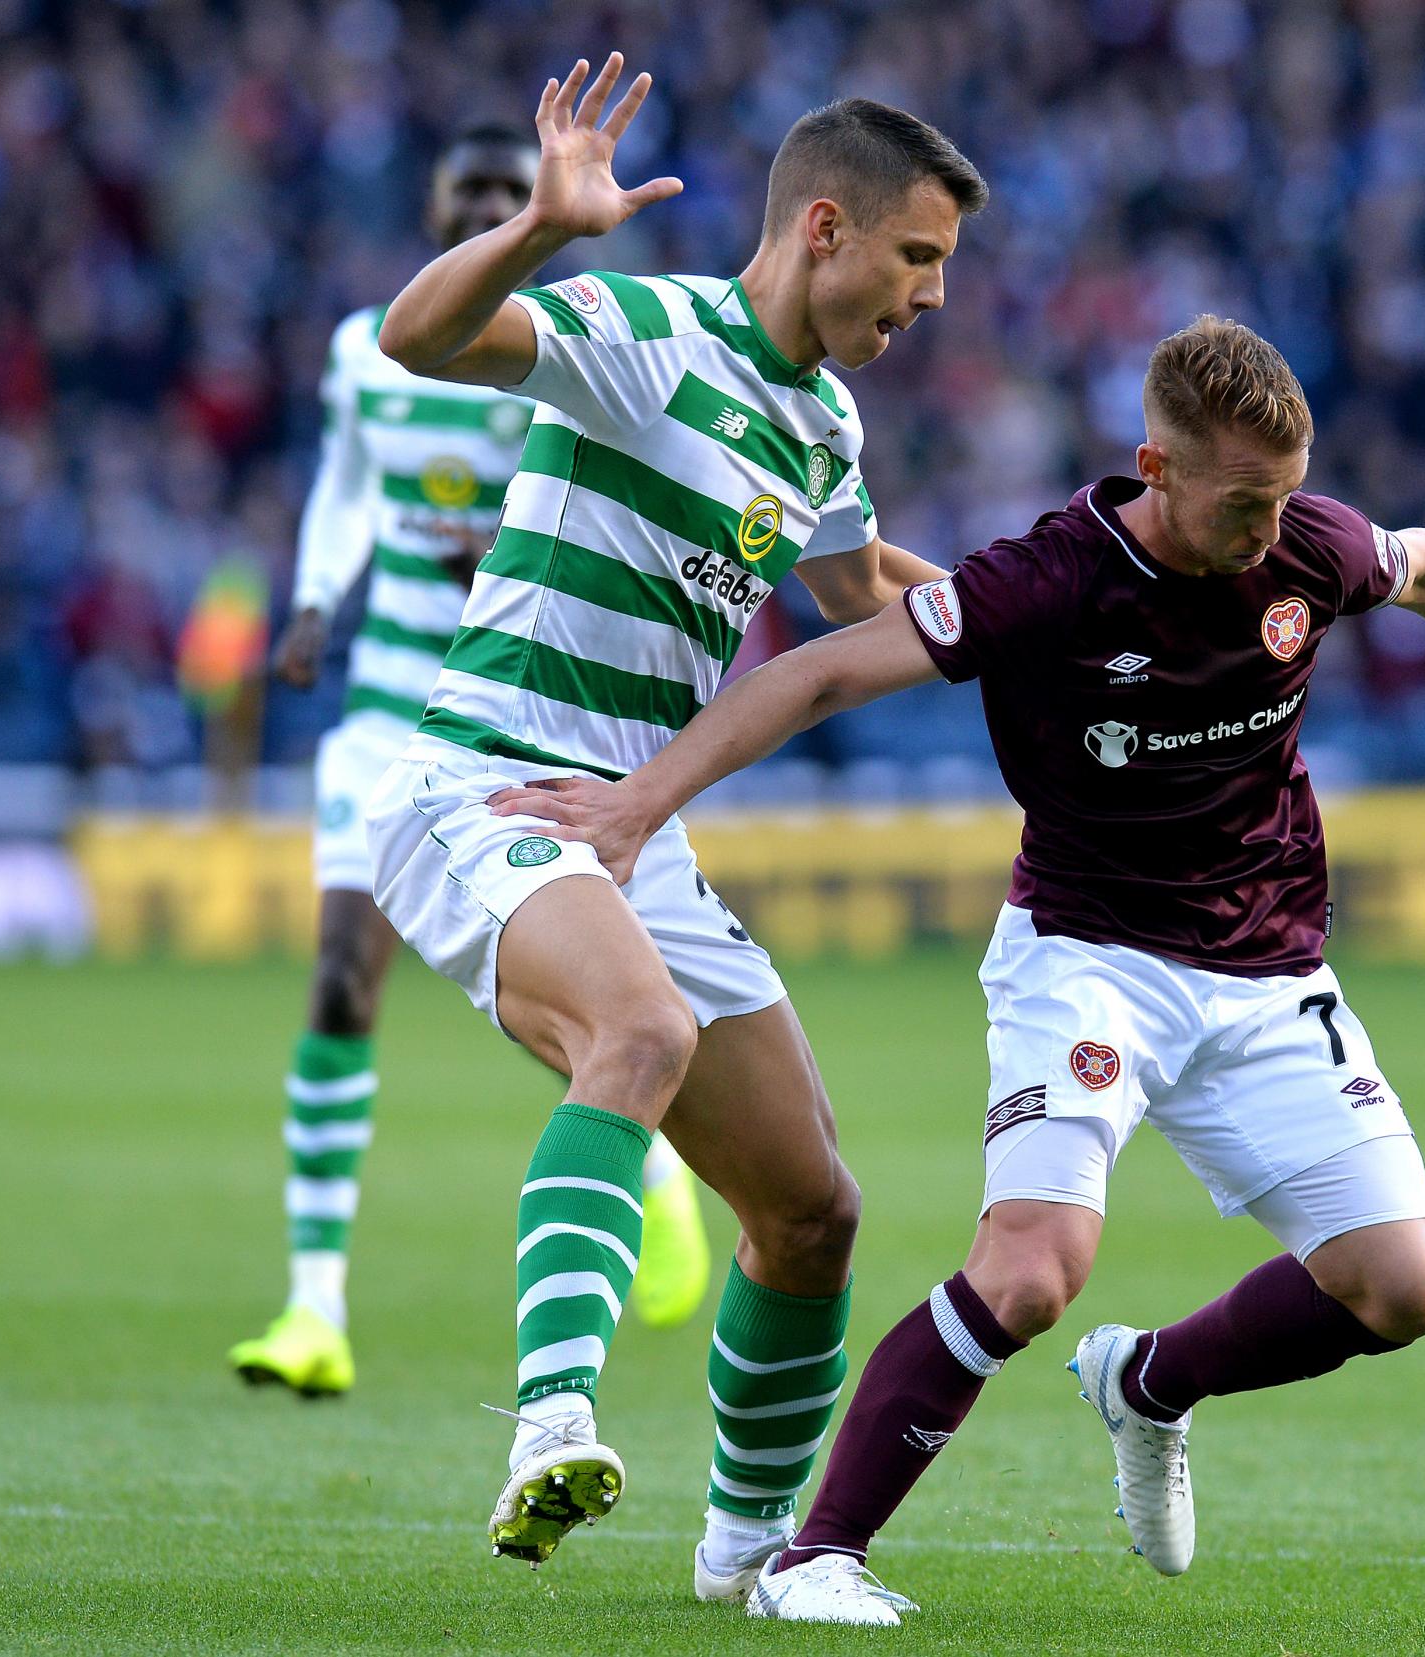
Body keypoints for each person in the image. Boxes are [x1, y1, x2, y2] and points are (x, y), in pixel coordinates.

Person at [493, 315, 1425, 1624]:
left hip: (1272, 968)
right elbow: (823, 674)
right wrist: (643, 799)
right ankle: (814, 1555)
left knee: (1405, 1288)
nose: (1266, 532)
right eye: (1242, 503)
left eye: (1285, 500)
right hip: (1090, 961)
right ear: (1155, 468)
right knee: (1031, 1270)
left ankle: (1153, 1386)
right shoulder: (1047, 581)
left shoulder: (1307, 543)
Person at [360, 54, 985, 1585]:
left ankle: (753, 1549)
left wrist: (1070, 604)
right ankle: (550, 1420)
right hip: (492, 782)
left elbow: (853, 599)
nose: (934, 298)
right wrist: (538, 232)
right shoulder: (649, 331)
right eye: (919, 259)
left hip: (636, 829)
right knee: (638, 1033)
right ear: (825, 228)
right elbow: (418, 334)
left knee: (814, 1206)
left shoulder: (826, 426)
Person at [230, 125, 718, 1402]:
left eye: (517, 189)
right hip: (384, 701)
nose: (499, 202)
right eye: (479, 191)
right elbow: (344, 483)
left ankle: (648, 1159)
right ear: (440, 201)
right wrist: (314, 599)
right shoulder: (368, 346)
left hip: (512, 721)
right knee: (341, 980)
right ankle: (312, 1309)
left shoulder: (577, 361)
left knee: (568, 999)